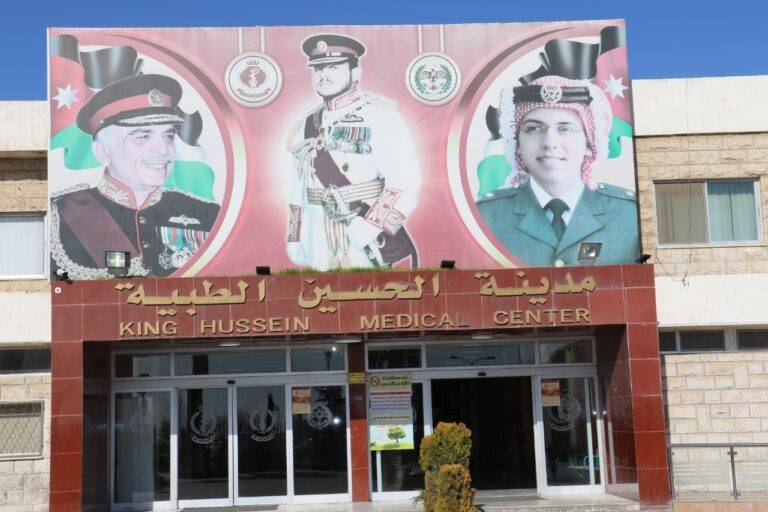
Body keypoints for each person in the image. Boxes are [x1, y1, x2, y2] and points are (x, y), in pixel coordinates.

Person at [50, 74, 220, 278]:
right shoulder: (61, 214)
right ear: (102, 152)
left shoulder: (207, 213)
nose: (163, 150)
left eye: (168, 136)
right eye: (143, 136)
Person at [286, 34, 420, 270]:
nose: (323, 75)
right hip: (316, 237)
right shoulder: (305, 124)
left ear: (355, 73)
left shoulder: (381, 116)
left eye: (333, 67)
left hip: (362, 233)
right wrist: (294, 237)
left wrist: (370, 228)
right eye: (318, 69)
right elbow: (297, 188)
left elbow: (404, 181)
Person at [477, 75, 638, 267]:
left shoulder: (629, 214)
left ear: (589, 142)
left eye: (565, 129)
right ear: (517, 144)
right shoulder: (486, 216)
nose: (550, 143)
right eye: (533, 129)